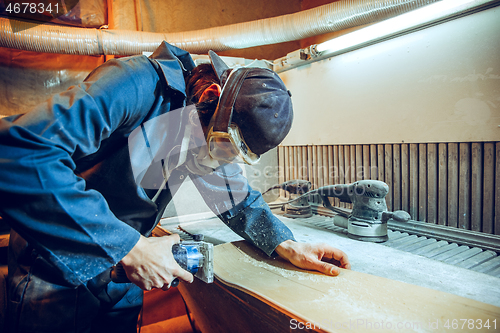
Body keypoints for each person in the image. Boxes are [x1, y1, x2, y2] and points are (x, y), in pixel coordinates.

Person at [0, 41, 350, 333]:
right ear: (212, 96)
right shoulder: (135, 84)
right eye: (223, 146)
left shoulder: (203, 125)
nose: (219, 164)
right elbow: (20, 154)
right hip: (58, 267)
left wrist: (286, 244)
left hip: (122, 274)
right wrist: (129, 247)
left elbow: (238, 200)